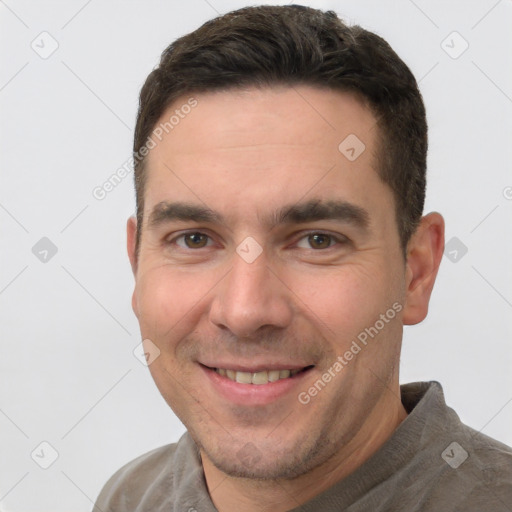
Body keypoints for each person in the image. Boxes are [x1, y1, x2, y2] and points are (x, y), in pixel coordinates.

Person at [93, 5, 512, 511]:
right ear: (138, 266)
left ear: (417, 272)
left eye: (317, 240)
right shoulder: (131, 497)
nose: (245, 312)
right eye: (195, 240)